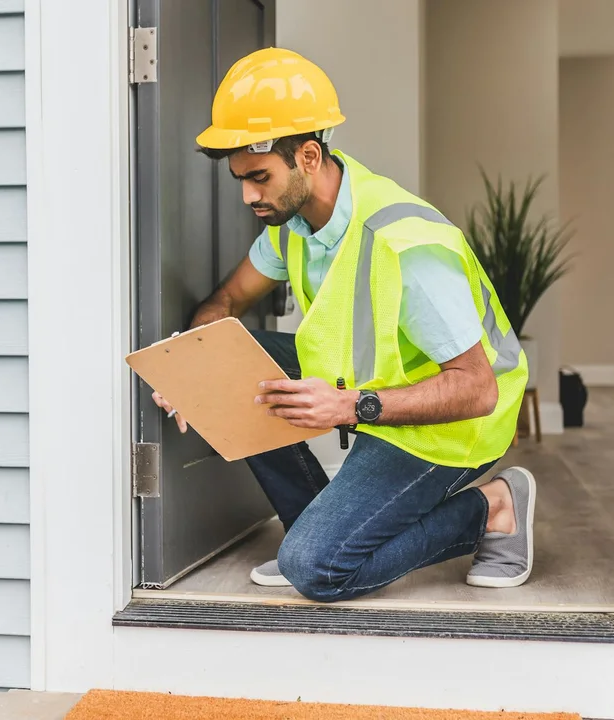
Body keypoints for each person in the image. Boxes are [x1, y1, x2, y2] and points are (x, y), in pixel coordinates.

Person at [151, 48, 535, 603]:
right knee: (233, 359)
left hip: (452, 426)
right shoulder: (292, 224)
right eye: (240, 179)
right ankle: (320, 526)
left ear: (308, 156)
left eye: (259, 178)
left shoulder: (404, 244)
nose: (248, 196)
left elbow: (476, 389)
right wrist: (196, 368)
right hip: (373, 396)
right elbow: (227, 299)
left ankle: (495, 506)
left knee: (316, 569)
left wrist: (353, 406)